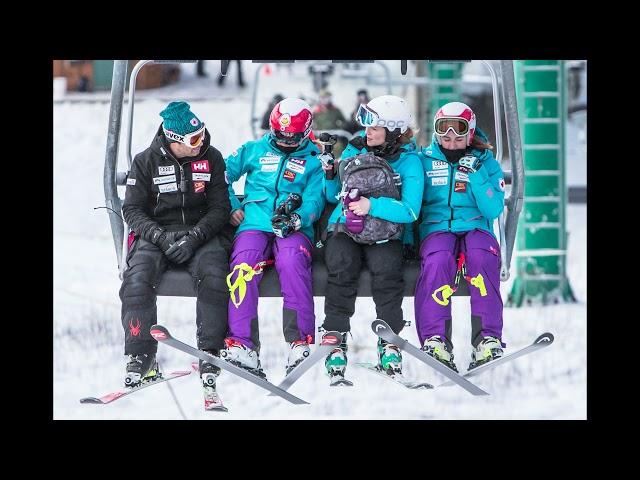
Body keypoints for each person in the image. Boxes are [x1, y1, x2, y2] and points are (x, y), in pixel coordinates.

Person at [120, 101, 232, 390]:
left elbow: (220, 208)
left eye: (202, 134)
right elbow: (131, 209)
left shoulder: (212, 158)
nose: (201, 143)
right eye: (194, 140)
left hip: (200, 232)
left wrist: (195, 237)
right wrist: (159, 236)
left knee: (214, 275)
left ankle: (210, 350)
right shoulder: (145, 161)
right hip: (158, 233)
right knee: (137, 279)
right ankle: (139, 353)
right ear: (174, 140)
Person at [320, 95, 424, 382]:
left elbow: (411, 210)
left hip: (386, 233)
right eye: (366, 125)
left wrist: (372, 205)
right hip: (347, 229)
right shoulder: (354, 151)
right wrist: (330, 173)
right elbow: (333, 196)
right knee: (341, 265)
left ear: (392, 130)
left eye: (375, 127)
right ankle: (336, 334)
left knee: (388, 269)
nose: (367, 132)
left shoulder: (409, 163)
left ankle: (389, 339)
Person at [222, 97, 325, 377]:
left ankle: (299, 341)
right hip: (255, 223)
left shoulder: (314, 160)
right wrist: (233, 206)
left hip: (293, 227)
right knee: (243, 266)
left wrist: (298, 218)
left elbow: (315, 199)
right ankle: (243, 344)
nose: (286, 142)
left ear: (305, 133)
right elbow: (222, 174)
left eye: (293, 138)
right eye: (281, 136)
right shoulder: (253, 150)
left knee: (292, 263)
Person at [415, 101, 506, 372]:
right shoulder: (424, 160)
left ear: (470, 132)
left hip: (476, 225)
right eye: (444, 130)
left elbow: (494, 208)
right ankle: (436, 339)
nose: (451, 138)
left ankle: (487, 339)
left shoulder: (485, 163)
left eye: (459, 130)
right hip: (437, 227)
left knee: (482, 259)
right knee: (438, 261)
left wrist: (476, 176)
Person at [311, 89, 348, 157]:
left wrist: (339, 128)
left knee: (337, 147)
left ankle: (336, 163)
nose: (325, 100)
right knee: (318, 149)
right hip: (320, 136)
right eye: (323, 98)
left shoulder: (336, 110)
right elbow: (310, 121)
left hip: (333, 137)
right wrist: (313, 127)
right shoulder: (316, 111)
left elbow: (344, 122)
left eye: (327, 98)